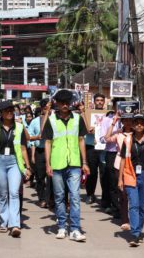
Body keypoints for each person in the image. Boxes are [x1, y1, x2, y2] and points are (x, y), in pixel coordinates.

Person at [43, 89, 89, 242]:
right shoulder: (51, 120)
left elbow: (81, 140)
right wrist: (47, 163)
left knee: (75, 196)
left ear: (70, 103)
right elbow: (48, 143)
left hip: (74, 163)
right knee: (59, 196)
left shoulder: (77, 119)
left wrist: (84, 162)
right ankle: (62, 226)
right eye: (61, 102)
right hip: (57, 164)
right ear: (57, 103)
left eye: (67, 102)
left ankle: (75, 229)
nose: (64, 105)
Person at [0, 100, 32, 238]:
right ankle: (4, 221)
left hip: (14, 163)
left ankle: (15, 224)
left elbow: (23, 148)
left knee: (14, 192)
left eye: (12, 110)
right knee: (2, 194)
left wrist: (27, 167)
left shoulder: (19, 127)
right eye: (7, 110)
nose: (10, 113)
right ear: (1, 113)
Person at [118, 114, 144, 247]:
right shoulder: (128, 140)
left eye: (142, 123)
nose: (139, 125)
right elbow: (123, 160)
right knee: (134, 205)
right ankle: (135, 234)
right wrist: (120, 179)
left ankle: (139, 231)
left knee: (142, 206)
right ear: (133, 125)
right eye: (137, 123)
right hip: (130, 174)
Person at [104, 112, 133, 231]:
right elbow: (106, 138)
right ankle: (125, 219)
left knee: (133, 193)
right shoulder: (119, 134)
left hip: (133, 165)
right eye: (125, 120)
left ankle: (134, 217)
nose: (127, 122)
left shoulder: (136, 134)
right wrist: (113, 123)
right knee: (122, 192)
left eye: (129, 120)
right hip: (119, 164)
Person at [85, 93, 106, 204]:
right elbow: (82, 128)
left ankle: (105, 197)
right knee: (91, 173)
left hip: (104, 148)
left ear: (104, 102)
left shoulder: (108, 114)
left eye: (101, 100)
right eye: (97, 100)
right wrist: (88, 129)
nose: (99, 102)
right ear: (94, 102)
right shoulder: (88, 114)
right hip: (91, 147)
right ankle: (90, 194)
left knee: (104, 173)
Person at [28, 99, 49, 208]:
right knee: (40, 177)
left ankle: (51, 198)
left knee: (52, 177)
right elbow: (29, 138)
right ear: (42, 108)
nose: (48, 109)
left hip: (52, 151)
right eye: (46, 107)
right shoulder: (35, 121)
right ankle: (42, 198)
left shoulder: (54, 120)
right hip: (40, 151)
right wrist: (32, 155)